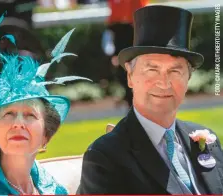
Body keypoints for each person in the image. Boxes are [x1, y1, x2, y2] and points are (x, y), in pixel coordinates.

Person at [77, 5, 223, 194]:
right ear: (130, 76)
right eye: (152, 70)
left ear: (188, 78)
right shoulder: (105, 157)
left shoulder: (206, 139)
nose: (164, 83)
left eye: (175, 71)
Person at [0, 16, 90, 194]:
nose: (18, 123)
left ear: (45, 137)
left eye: (30, 115)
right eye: (8, 114)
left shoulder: (55, 190)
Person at [102, 0, 148, 107]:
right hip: (119, 29)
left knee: (133, 67)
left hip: (132, 28)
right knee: (122, 68)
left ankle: (135, 99)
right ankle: (131, 99)